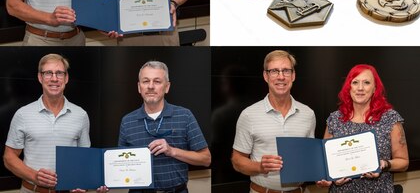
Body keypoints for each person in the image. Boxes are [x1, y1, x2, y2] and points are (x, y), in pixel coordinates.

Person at [3, 54, 107, 193]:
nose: (54, 78)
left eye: (59, 73)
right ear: (40, 78)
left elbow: (84, 158)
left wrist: (83, 184)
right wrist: (34, 176)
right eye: (48, 73)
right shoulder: (23, 114)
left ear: (66, 78)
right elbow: (9, 157)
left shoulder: (80, 115)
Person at [118, 61, 211, 192]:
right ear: (139, 87)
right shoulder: (127, 121)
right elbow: (120, 164)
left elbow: (206, 159)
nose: (150, 86)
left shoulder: (185, 115)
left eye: (157, 81)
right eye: (145, 81)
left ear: (167, 87)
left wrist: (172, 151)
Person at [231, 50, 316, 193]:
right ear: (266, 76)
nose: (281, 77)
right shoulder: (248, 115)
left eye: (286, 71)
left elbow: (310, 157)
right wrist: (260, 167)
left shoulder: (308, 114)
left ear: (293, 75)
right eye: (274, 71)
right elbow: (237, 160)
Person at [316, 64, 409, 193]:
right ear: (349, 87)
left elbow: (403, 162)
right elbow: (325, 163)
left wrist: (384, 164)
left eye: (366, 82)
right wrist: (330, 178)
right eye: (355, 82)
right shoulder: (335, 119)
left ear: (375, 88)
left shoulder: (390, 118)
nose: (360, 88)